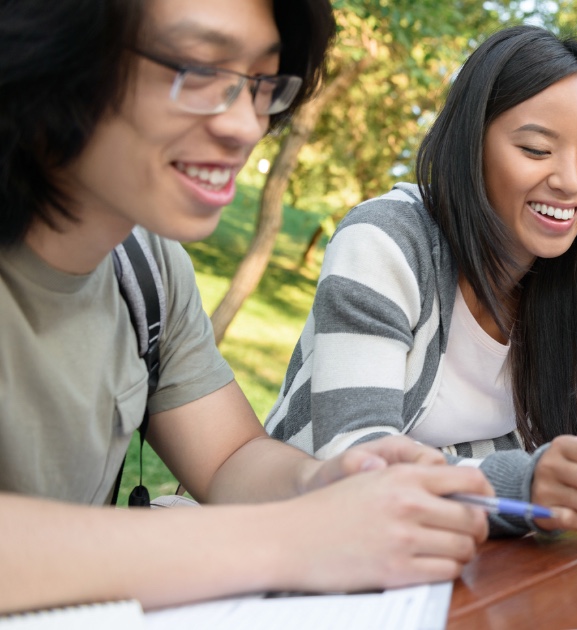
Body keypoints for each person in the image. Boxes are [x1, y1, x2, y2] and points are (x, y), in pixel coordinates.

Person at [0, 0, 493, 615]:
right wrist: (295, 538)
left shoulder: (147, 268)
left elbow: (229, 457)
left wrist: (326, 483)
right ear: (52, 52)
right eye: (197, 69)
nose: (245, 125)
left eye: (261, 85)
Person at [265, 25, 577, 535]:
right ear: (470, 143)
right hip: (300, 542)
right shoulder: (387, 239)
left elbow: (523, 449)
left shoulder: (566, 280)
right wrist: (518, 487)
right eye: (535, 149)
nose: (571, 180)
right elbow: (354, 457)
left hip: (452, 561)